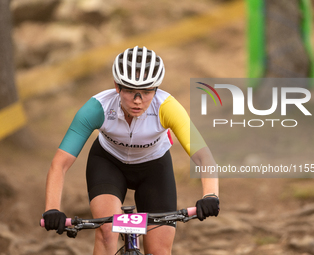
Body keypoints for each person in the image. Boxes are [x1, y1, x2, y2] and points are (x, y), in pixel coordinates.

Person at [42, 46, 219, 255]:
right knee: (108, 231)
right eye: (130, 91)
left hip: (154, 168)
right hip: (108, 164)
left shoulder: (167, 107)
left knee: (159, 249)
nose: (138, 100)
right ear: (117, 86)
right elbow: (60, 163)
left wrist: (210, 195)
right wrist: (52, 209)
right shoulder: (97, 108)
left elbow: (204, 157)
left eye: (146, 92)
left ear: (156, 89)